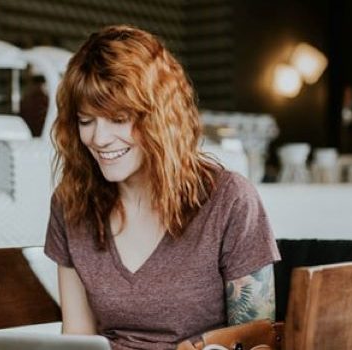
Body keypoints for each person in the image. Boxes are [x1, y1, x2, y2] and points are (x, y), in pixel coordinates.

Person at [43, 25, 281, 350]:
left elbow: (259, 340)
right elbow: (78, 338)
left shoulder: (229, 200)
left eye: (119, 118)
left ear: (159, 117)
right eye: (86, 121)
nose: (99, 139)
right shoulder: (70, 204)